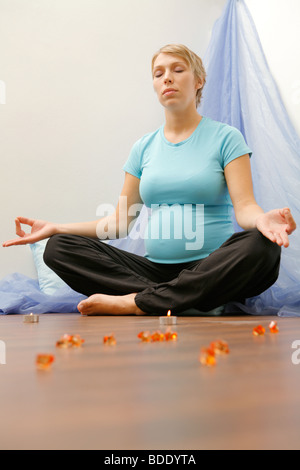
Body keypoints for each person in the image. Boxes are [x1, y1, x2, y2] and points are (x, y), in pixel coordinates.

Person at [3, 44, 297, 316]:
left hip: (212, 267)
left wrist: (261, 221)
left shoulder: (226, 138)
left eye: (178, 70)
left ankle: (137, 302)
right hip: (151, 272)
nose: (167, 78)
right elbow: (119, 222)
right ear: (155, 85)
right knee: (59, 247)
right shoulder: (143, 147)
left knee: (262, 246)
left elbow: (245, 206)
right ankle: (182, 299)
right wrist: (56, 227)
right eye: (159, 73)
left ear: (199, 81)